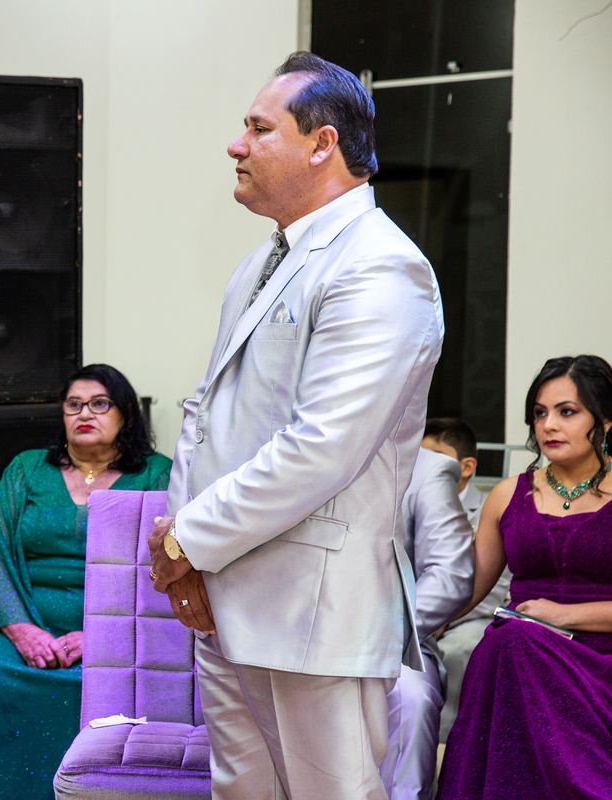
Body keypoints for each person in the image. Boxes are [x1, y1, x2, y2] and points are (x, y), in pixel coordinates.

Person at [148, 51, 443, 800]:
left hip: (314, 612)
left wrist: (188, 540)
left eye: (258, 128)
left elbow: (323, 447)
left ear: (323, 144)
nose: (236, 144)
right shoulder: (259, 264)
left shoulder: (381, 265)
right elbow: (207, 418)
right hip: (228, 599)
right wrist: (189, 557)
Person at [0, 364, 172, 800]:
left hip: (123, 629)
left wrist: (103, 636)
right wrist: (22, 630)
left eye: (100, 404)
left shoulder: (157, 474)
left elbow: (165, 567)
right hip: (25, 622)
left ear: (126, 414)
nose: (85, 413)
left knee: (104, 684)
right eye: (74, 405)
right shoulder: (26, 468)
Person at [437, 355, 612, 799]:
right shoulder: (506, 495)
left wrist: (563, 615)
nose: (549, 425)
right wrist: (406, 624)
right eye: (539, 413)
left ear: (606, 421)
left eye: (567, 412)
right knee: (510, 643)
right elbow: (464, 590)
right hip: (518, 654)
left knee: (514, 642)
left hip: (600, 659)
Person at [380, 446, 474, 800]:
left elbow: (450, 574)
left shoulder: (427, 468)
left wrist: (380, 635)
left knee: (412, 699)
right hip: (288, 631)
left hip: (394, 636)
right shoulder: (285, 451)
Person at [420, 417, 505, 741]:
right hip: (418, 609)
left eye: (434, 457)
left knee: (460, 648)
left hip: (469, 613)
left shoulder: (488, 508)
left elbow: (495, 586)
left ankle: (446, 741)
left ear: (467, 467)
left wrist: (441, 618)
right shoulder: (409, 502)